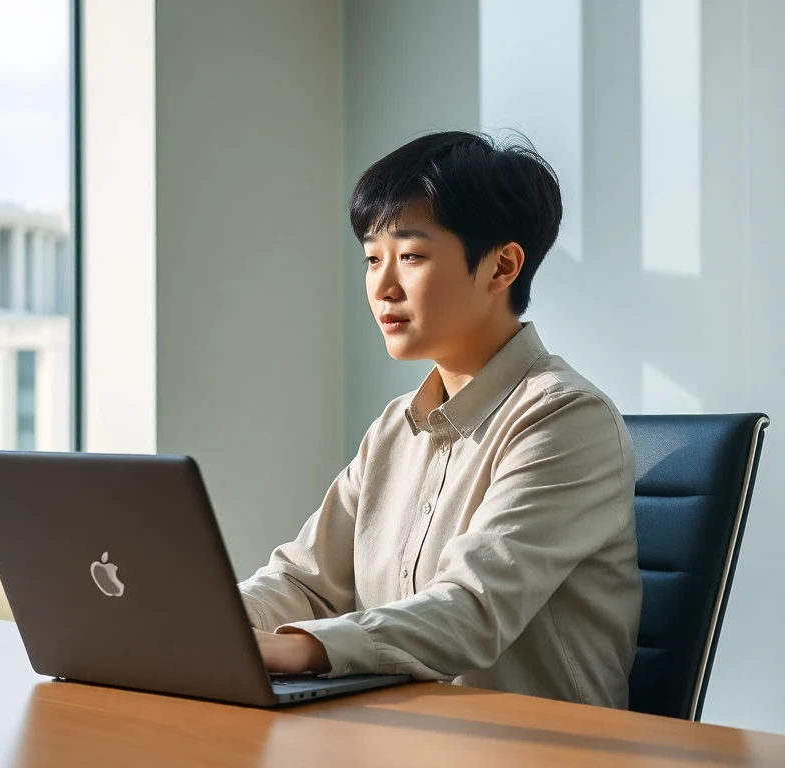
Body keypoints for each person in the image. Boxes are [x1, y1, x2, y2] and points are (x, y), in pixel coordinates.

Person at [240, 131, 641, 709]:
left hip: (538, 748)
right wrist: (206, 623)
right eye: (372, 259)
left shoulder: (568, 419)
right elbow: (306, 581)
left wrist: (302, 649)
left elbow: (472, 607)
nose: (382, 286)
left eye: (411, 256)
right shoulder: (395, 429)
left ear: (502, 266)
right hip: (404, 735)